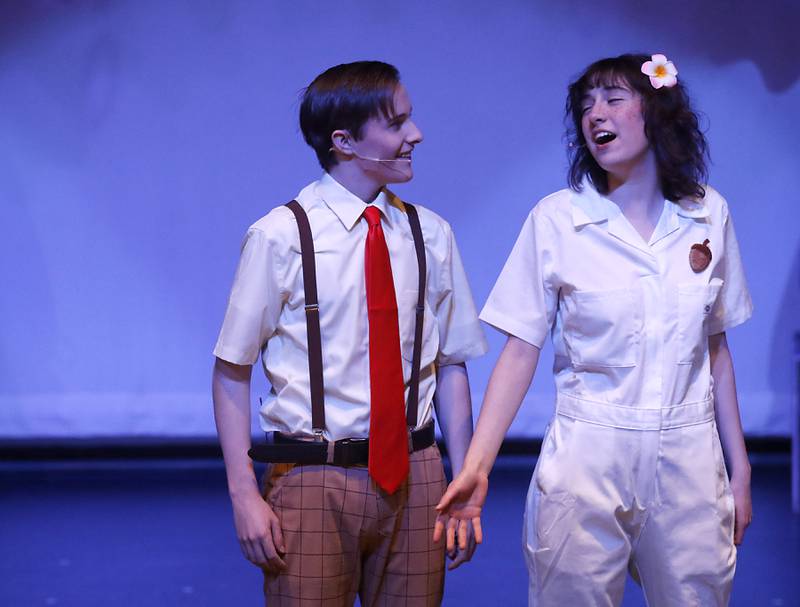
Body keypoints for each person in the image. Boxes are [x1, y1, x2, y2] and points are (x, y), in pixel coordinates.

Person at [434, 53, 753, 606]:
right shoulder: (558, 219)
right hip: (588, 454)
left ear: (656, 110)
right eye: (585, 105)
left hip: (690, 458)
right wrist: (476, 468)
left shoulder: (709, 215)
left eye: (612, 99)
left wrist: (741, 467)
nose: (594, 115)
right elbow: (518, 352)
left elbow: (715, 348)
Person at [211, 60, 487, 606]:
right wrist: (243, 494)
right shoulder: (281, 236)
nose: (416, 135)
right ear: (345, 141)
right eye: (397, 123)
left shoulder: (429, 233)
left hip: (418, 474)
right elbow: (231, 368)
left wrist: (465, 476)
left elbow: (451, 363)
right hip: (314, 476)